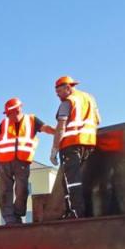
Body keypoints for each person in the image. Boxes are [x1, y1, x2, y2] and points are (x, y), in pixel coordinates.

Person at [0, 98, 55, 225]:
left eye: (9, 113)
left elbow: (46, 128)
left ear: (16, 110)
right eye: (7, 114)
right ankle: (9, 219)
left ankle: (18, 214)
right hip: (4, 162)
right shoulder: (4, 123)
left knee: (22, 189)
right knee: (5, 191)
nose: (8, 116)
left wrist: (58, 132)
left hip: (22, 162)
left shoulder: (31, 120)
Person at [49, 77, 100, 218]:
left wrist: (54, 150)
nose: (57, 95)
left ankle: (77, 214)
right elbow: (98, 120)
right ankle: (81, 211)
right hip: (89, 143)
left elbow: (61, 127)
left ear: (68, 87)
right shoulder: (90, 99)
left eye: (59, 91)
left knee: (72, 181)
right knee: (82, 178)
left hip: (71, 145)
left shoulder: (68, 102)